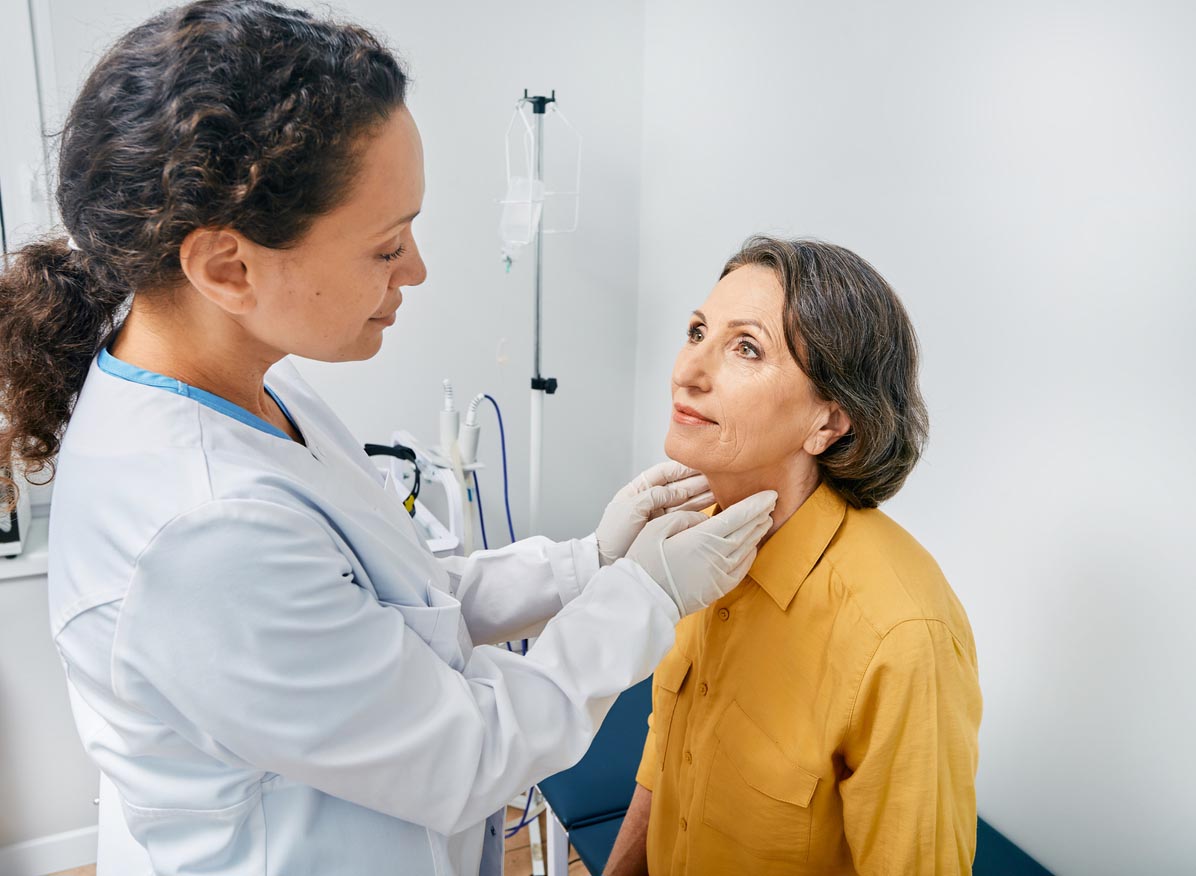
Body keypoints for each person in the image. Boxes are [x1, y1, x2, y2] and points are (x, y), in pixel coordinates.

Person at [0, 3, 778, 874]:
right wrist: (644, 596)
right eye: (385, 245)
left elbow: (397, 603)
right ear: (227, 268)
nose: (416, 269)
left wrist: (586, 564)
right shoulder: (198, 530)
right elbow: (465, 755)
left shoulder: (251, 386)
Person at [605, 237, 983, 876]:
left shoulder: (900, 637)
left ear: (829, 422)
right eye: (697, 331)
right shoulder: (700, 539)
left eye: (745, 347)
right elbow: (666, 752)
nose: (688, 371)